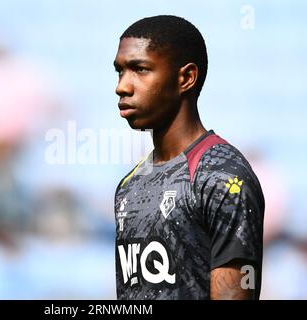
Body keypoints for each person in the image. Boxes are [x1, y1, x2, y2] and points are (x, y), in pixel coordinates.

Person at [113, 15, 264, 300]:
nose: (122, 86)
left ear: (186, 77)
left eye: (140, 69)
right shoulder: (128, 186)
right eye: (120, 72)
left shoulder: (223, 177)